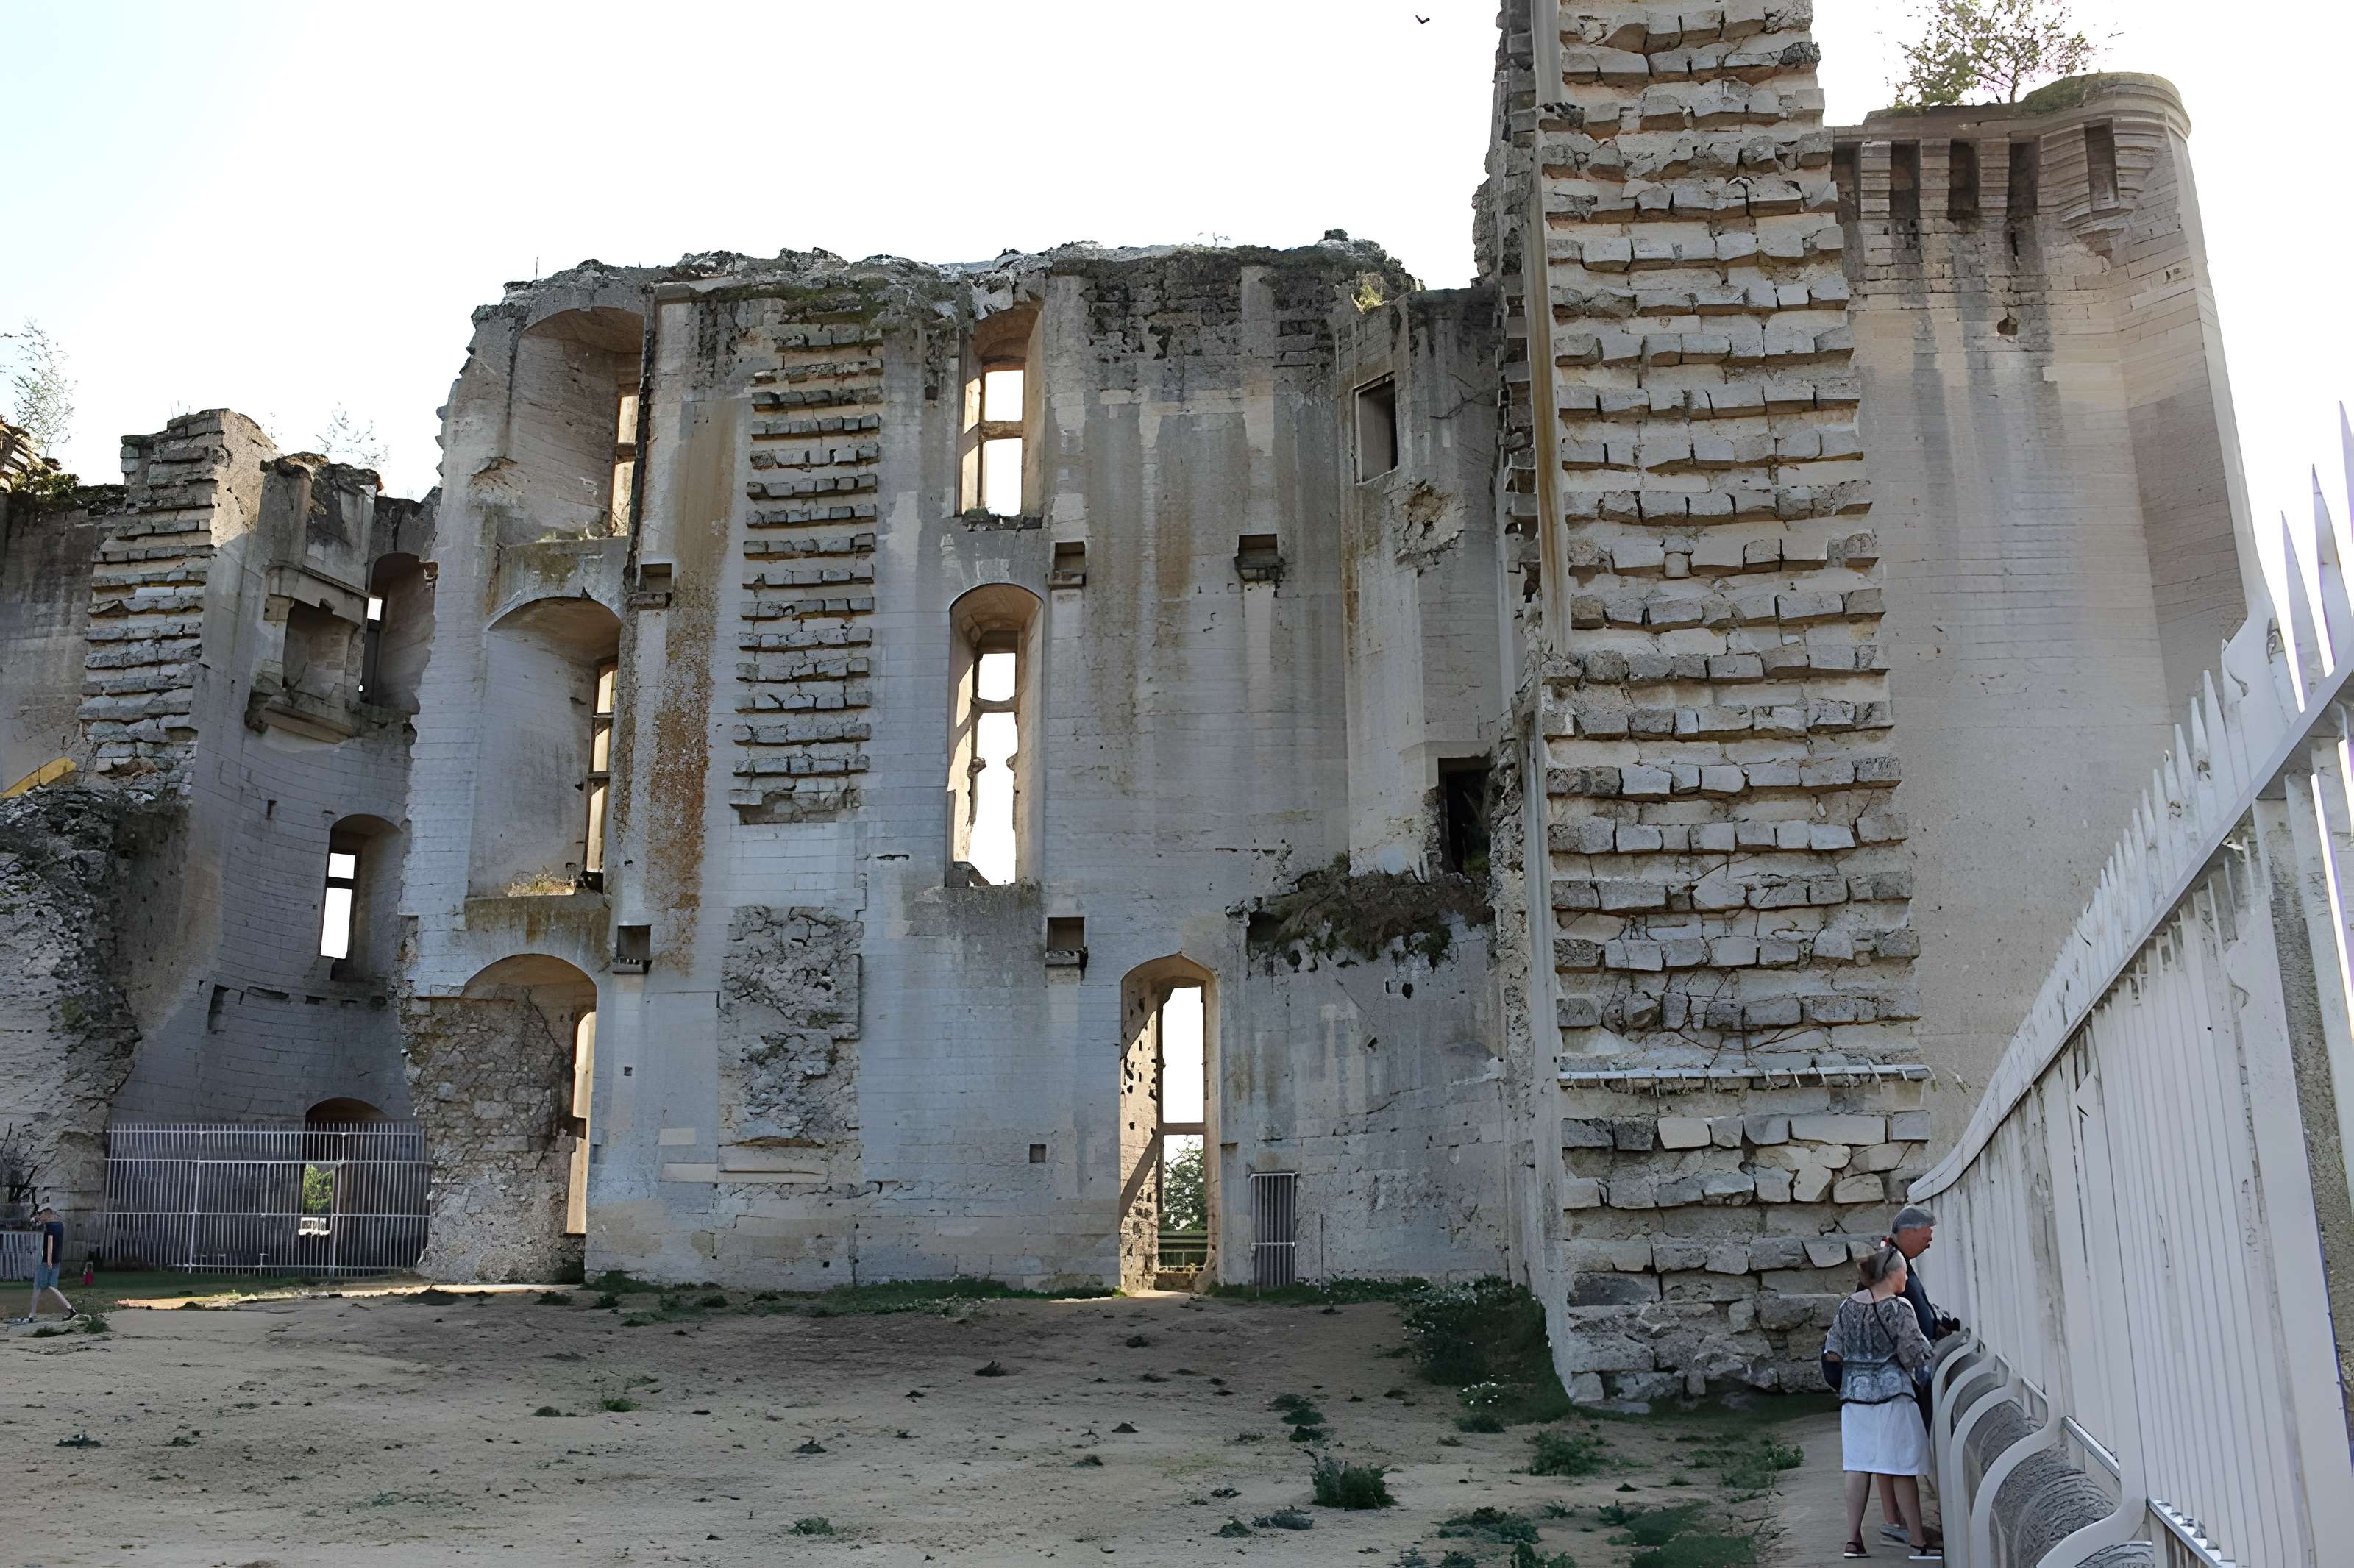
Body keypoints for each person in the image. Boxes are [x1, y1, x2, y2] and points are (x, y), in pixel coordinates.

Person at [1824, 1245, 1941, 1560]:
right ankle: (1918, 1543)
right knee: (1901, 1468)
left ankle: (1853, 1542)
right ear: (1890, 1275)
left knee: (1858, 1467)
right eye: (1903, 1270)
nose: (1906, 1275)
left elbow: (1832, 1352)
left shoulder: (1847, 1307)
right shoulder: (1899, 1308)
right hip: (1893, 1396)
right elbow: (1915, 1354)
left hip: (1854, 1398)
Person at [21, 1203, 81, 1323]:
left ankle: (70, 1309)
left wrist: (48, 1262)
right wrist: (35, 1219)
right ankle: (32, 1315)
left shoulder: (50, 1227)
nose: (40, 1217)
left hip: (48, 1262)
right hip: (56, 1260)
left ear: (46, 1215)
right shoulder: (59, 1225)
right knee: (40, 1287)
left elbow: (50, 1243)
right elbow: (39, 1221)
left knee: (46, 1287)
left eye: (41, 1215)